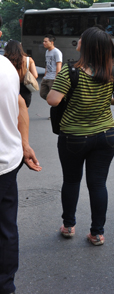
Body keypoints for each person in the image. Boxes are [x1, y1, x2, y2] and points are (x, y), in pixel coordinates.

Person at [46, 27, 114, 246]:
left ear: (86, 45)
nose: (78, 40)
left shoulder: (70, 71)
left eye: (81, 38)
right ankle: (97, 233)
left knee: (72, 181)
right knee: (98, 184)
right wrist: (107, 101)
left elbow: (53, 100)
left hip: (73, 138)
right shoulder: (113, 71)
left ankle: (68, 225)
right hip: (105, 137)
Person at [0, 44, 41, 294]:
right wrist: (24, 145)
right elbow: (20, 105)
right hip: (7, 160)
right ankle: (6, 286)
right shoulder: (6, 66)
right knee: (6, 228)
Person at [3, 40, 38, 108]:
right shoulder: (29, 60)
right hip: (24, 88)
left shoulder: (5, 60)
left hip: (9, 87)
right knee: (24, 109)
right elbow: (35, 75)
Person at [40, 34, 62, 101]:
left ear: (51, 42)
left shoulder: (57, 52)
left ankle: (56, 106)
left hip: (53, 78)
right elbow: (47, 64)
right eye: (43, 41)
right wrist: (45, 75)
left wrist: (57, 77)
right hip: (47, 77)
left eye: (46, 41)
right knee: (42, 93)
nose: (44, 43)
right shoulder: (47, 51)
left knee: (53, 96)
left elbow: (59, 65)